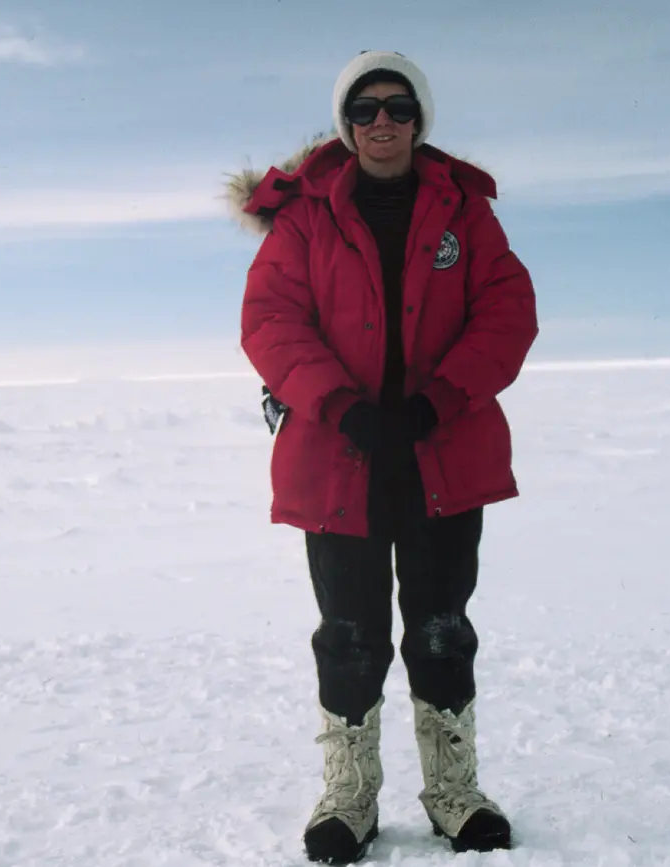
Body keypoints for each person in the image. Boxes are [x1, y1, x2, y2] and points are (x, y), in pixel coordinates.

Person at [227, 51, 538, 864]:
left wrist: (442, 396)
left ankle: (453, 790)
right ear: (345, 124)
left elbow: (506, 311)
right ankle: (349, 797)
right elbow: (270, 320)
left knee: (440, 628)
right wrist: (339, 404)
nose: (381, 123)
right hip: (339, 459)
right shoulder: (303, 218)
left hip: (442, 453)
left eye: (397, 108)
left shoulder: (464, 213)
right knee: (350, 633)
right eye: (363, 110)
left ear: (418, 119)